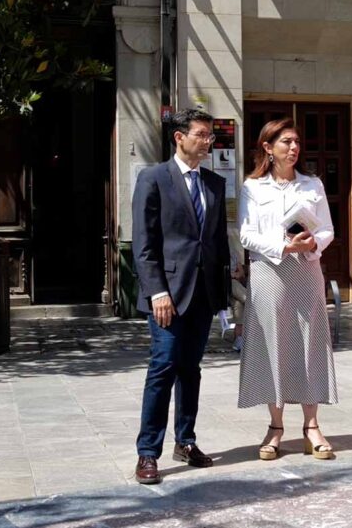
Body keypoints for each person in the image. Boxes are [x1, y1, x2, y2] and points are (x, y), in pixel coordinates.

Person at [132, 109, 230, 484]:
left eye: (210, 135)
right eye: (202, 135)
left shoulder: (214, 184)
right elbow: (144, 244)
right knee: (163, 368)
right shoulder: (154, 179)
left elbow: (217, 242)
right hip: (167, 296)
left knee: (191, 370)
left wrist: (223, 294)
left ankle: (185, 441)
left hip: (203, 296)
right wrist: (157, 290)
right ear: (180, 137)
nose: (209, 142)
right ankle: (147, 453)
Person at [237, 118, 338, 460]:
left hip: (306, 272)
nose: (294, 148)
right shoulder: (252, 187)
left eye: (296, 142)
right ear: (268, 148)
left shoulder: (312, 185)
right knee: (272, 345)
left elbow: (327, 229)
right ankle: (275, 426)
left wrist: (312, 243)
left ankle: (312, 425)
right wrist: (284, 247)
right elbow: (246, 234)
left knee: (310, 343)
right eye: (286, 142)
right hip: (269, 272)